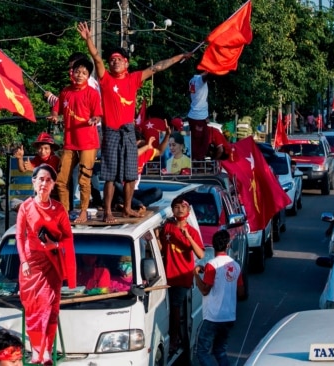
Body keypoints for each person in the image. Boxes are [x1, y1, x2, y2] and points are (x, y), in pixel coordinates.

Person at [77, 21, 192, 223]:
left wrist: (179, 57)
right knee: (111, 176)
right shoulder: (105, 79)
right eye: (112, 59)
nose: (115, 62)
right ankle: (109, 212)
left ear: (126, 63)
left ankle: (128, 207)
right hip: (111, 131)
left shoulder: (134, 78)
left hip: (129, 131)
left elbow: (157, 67)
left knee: (131, 173)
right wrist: (88, 39)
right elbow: (96, 58)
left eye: (119, 59)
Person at [16, 164, 76, 365]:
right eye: (40, 179)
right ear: (33, 182)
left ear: (53, 184)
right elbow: (18, 236)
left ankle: (47, 351)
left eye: (48, 180)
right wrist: (24, 261)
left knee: (50, 308)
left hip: (52, 263)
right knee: (33, 309)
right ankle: (36, 350)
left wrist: (54, 244)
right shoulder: (25, 207)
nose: (43, 183)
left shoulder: (59, 209)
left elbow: (68, 238)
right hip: (31, 264)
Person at [49, 58, 103, 223]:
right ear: (72, 73)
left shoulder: (92, 93)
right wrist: (54, 116)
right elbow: (56, 109)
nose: (80, 75)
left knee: (84, 179)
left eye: (84, 73)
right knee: (60, 180)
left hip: (88, 143)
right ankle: (64, 212)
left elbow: (98, 114)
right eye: (77, 72)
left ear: (88, 76)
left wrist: (94, 119)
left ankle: (83, 211)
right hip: (70, 142)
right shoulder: (65, 91)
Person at [158, 195, 205, 351]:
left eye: (182, 207)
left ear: (188, 210)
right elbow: (161, 249)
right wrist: (155, 238)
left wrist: (188, 237)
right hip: (166, 276)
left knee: (175, 307)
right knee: (168, 310)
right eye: (176, 207)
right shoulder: (167, 228)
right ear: (172, 210)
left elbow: (201, 255)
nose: (179, 210)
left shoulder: (191, 231)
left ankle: (175, 339)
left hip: (182, 277)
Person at [194, 230, 243, 366]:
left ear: (213, 245)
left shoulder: (211, 265)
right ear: (227, 245)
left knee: (202, 351)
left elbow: (204, 290)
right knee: (220, 350)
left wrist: (196, 275)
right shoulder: (236, 266)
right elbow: (241, 292)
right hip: (229, 317)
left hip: (213, 317)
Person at [114, 131, 165, 211]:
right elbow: (132, 154)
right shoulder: (122, 152)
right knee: (117, 185)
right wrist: (147, 146)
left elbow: (160, 151)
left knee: (158, 192)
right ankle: (137, 204)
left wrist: (167, 136)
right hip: (122, 192)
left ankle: (132, 205)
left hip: (134, 192)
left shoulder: (144, 153)